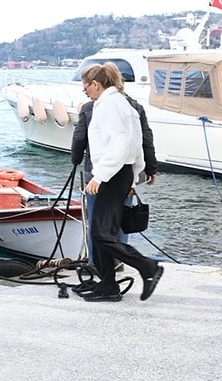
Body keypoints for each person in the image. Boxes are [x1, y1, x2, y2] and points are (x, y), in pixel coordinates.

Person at [78, 63, 163, 302]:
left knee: (102, 234)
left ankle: (148, 267)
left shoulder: (109, 106)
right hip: (120, 172)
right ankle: (108, 285)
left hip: (112, 173)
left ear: (96, 84)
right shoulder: (121, 104)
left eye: (86, 85)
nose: (85, 90)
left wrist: (100, 175)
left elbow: (120, 142)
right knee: (101, 233)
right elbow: (136, 143)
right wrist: (134, 175)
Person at [71, 81, 158, 269]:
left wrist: (75, 159)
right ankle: (118, 262)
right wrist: (150, 168)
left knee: (97, 223)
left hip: (97, 171)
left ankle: (97, 264)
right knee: (120, 220)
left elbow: (79, 138)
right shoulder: (135, 107)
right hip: (126, 173)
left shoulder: (90, 108)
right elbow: (144, 139)